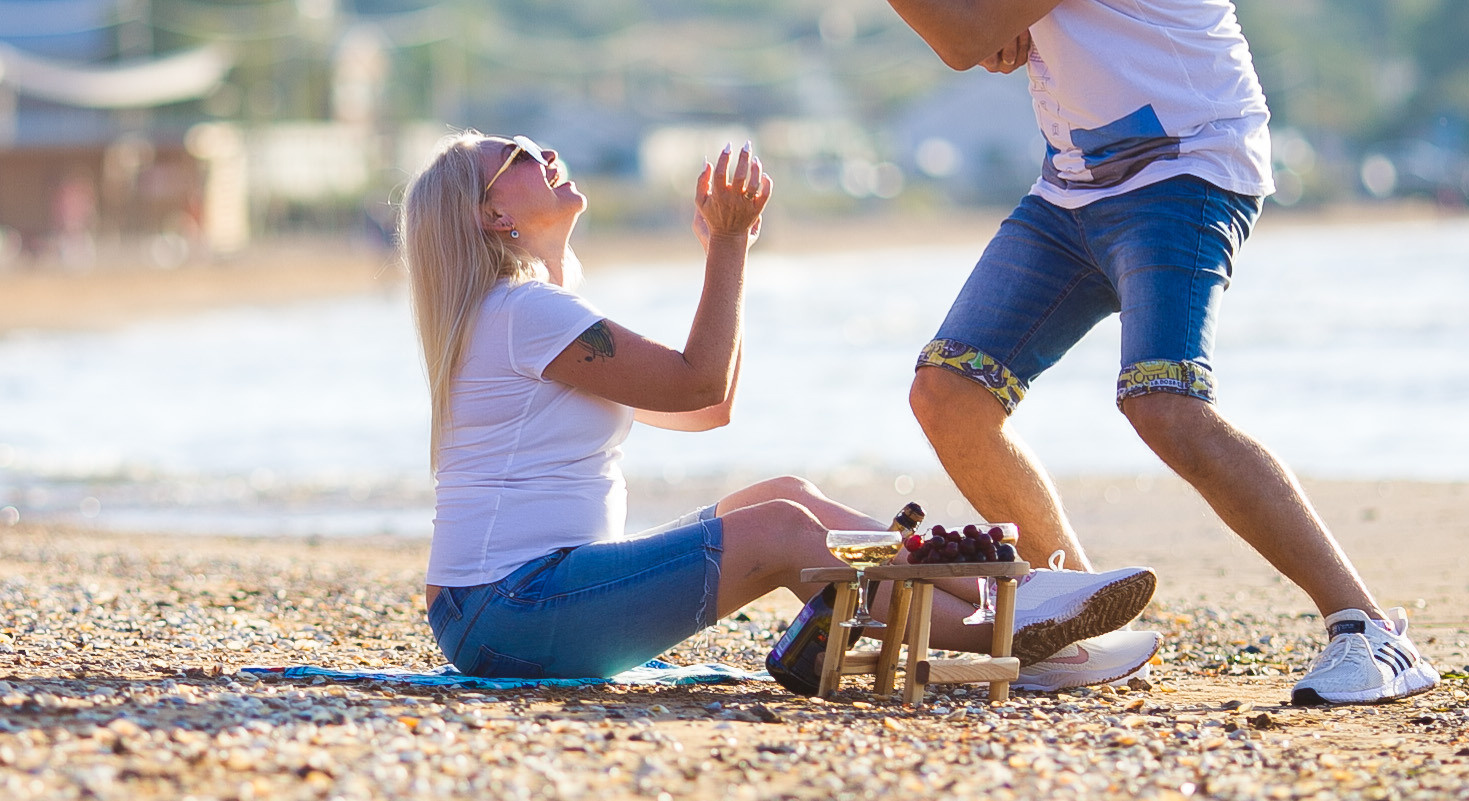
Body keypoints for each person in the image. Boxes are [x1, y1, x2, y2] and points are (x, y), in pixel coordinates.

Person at [748, 0, 1440, 706]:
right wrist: (1006, 39)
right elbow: (1003, 36)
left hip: (1182, 171)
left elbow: (967, 33)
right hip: (1077, 181)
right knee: (949, 394)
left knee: (1163, 405)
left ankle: (1369, 627)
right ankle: (1061, 614)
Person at [401, 130, 1163, 689]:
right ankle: (1017, 631)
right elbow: (697, 385)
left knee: (785, 496)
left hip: (512, 606)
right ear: (493, 215)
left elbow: (707, 408)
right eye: (519, 157)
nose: (546, 154)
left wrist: (725, 249)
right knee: (780, 532)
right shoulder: (525, 312)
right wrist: (727, 247)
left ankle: (1018, 605)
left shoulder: (529, 310)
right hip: (509, 610)